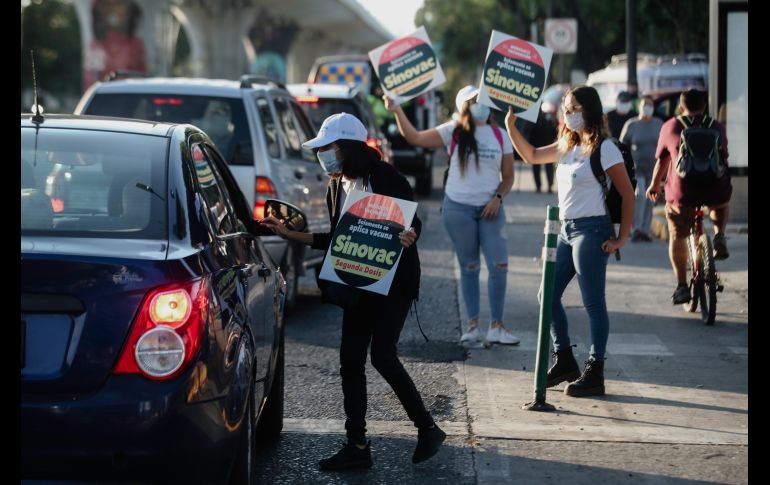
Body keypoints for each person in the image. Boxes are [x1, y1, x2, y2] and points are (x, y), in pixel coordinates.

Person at [260, 113, 446, 470]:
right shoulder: (336, 184)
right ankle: (357, 445)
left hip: (394, 283)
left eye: (328, 148)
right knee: (350, 361)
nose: (323, 155)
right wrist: (289, 234)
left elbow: (412, 222)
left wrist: (409, 236)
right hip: (358, 282)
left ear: (347, 149)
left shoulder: (385, 176)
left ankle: (427, 428)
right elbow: (336, 239)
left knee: (383, 356)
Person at [504, 86, 635, 397]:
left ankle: (595, 370)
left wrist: (621, 239)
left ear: (588, 110)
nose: (569, 114)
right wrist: (511, 127)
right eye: (566, 108)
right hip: (565, 229)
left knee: (593, 303)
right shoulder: (567, 145)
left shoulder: (605, 149)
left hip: (592, 231)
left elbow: (628, 194)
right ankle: (564, 358)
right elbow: (532, 155)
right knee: (545, 296)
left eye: (574, 108)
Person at [384, 85, 519, 346]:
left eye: (482, 100)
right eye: (473, 101)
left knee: (499, 265)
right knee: (469, 267)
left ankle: (497, 327)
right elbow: (415, 138)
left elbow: (509, 176)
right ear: (463, 106)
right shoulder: (453, 131)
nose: (480, 104)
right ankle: (472, 327)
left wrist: (498, 198)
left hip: (491, 209)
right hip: (458, 209)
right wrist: (397, 110)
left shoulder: (500, 135)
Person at [646, 89, 732, 305]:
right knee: (721, 201)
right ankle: (719, 235)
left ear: (681, 108)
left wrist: (655, 185)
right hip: (715, 189)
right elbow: (723, 157)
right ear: (704, 107)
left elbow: (662, 161)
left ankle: (682, 286)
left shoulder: (671, 126)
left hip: (682, 192)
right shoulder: (716, 126)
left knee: (677, 236)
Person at [620, 96, 663, 242]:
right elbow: (622, 145)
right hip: (636, 169)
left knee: (650, 200)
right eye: (645, 105)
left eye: (650, 105)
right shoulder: (632, 124)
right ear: (639, 106)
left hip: (654, 169)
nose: (647, 107)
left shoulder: (658, 124)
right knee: (640, 197)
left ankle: (645, 230)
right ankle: (636, 228)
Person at [528, 110, 558, 193]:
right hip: (540, 147)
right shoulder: (538, 122)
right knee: (539, 168)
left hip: (545, 147)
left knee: (547, 168)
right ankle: (541, 186)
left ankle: (547, 186)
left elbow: (554, 132)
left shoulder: (546, 121)